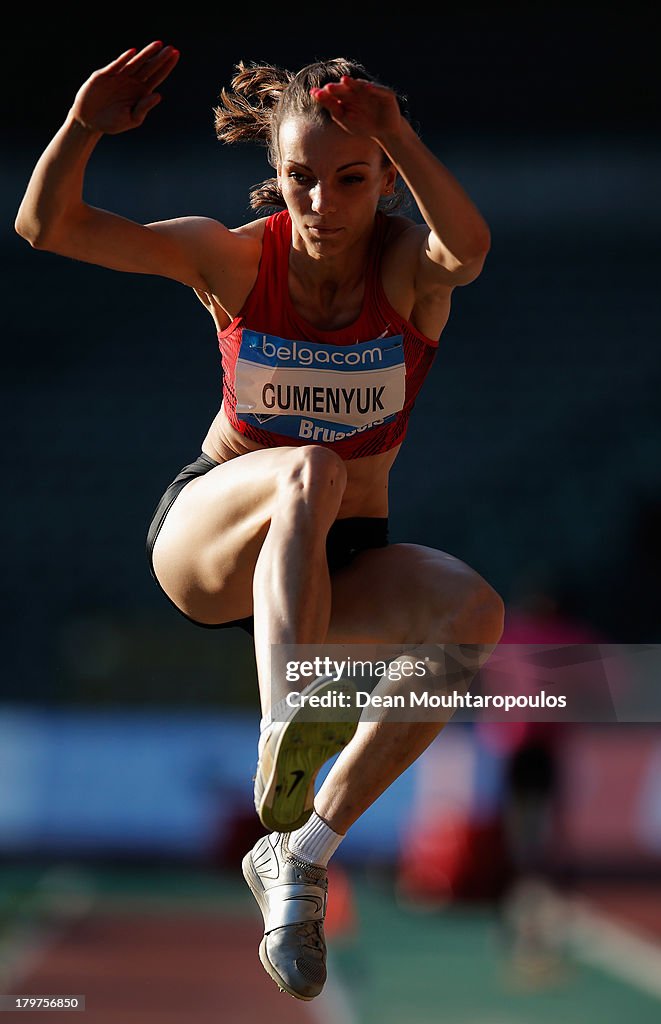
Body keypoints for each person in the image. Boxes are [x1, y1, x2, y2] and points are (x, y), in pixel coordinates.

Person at [15, 40, 505, 1001]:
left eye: (350, 179)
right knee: (308, 471)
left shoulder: (409, 273)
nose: (320, 205)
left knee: (473, 617)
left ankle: (302, 852)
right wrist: (80, 127)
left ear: (387, 176)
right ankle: (290, 707)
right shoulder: (235, 258)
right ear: (272, 176)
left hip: (338, 559)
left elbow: (471, 250)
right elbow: (48, 226)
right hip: (217, 534)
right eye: (297, 180)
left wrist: (396, 124)